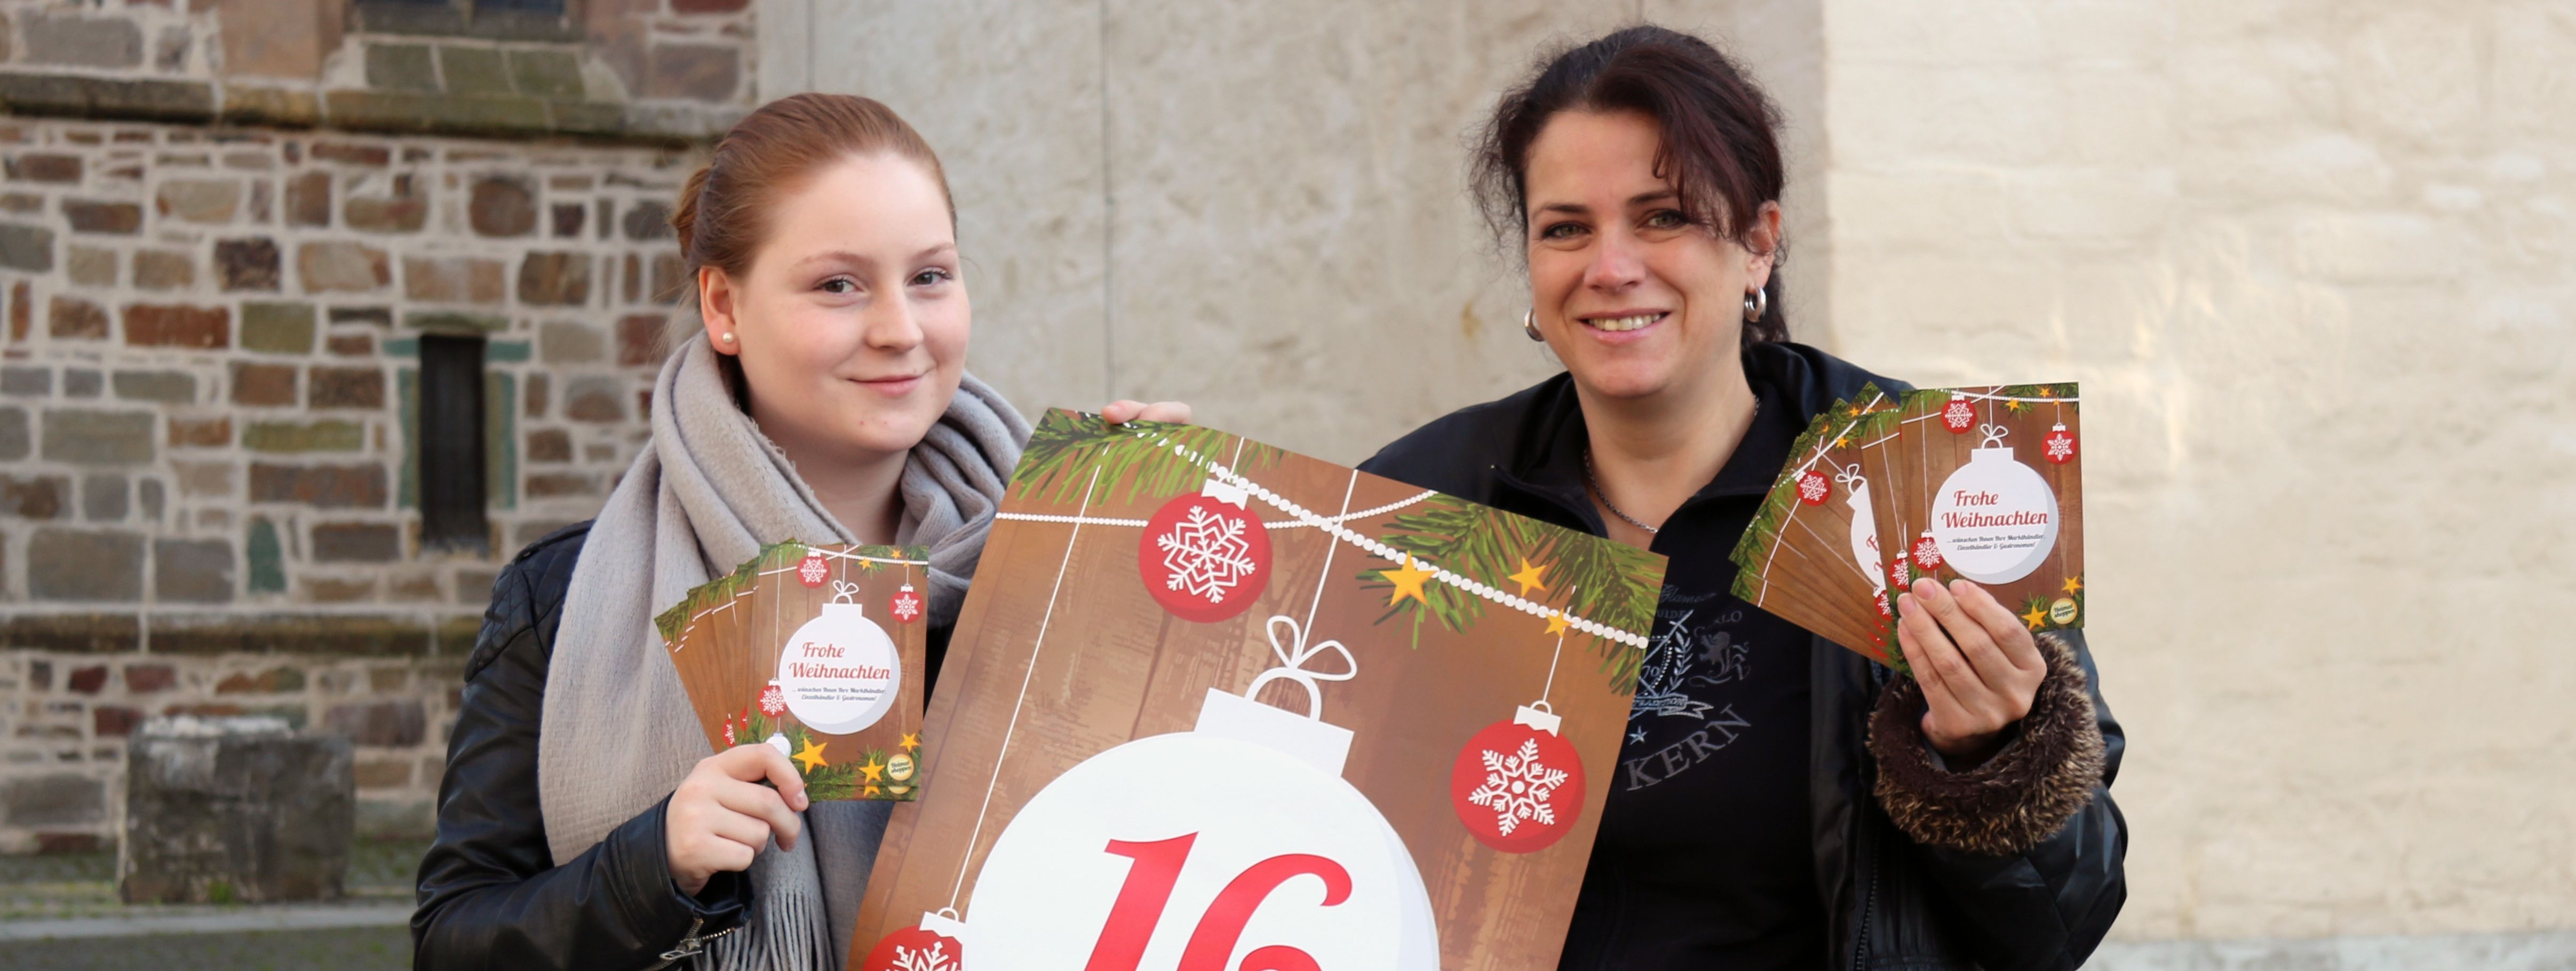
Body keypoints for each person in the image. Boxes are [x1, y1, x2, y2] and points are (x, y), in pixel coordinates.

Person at [1358, 26, 2126, 969]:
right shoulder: (1425, 498)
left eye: (1662, 216)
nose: (1610, 267)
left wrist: (1988, 759)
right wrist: (1132, 495)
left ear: (1759, 244)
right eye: (1566, 228)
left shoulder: (1923, 487)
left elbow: (2061, 928)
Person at [411, 93, 1186, 969]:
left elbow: (1202, 846)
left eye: (930, 276)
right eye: (838, 285)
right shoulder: (560, 599)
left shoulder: (1053, 555)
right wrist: (654, 863)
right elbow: (452, 942)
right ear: (723, 307)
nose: (899, 330)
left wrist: (1158, 571)